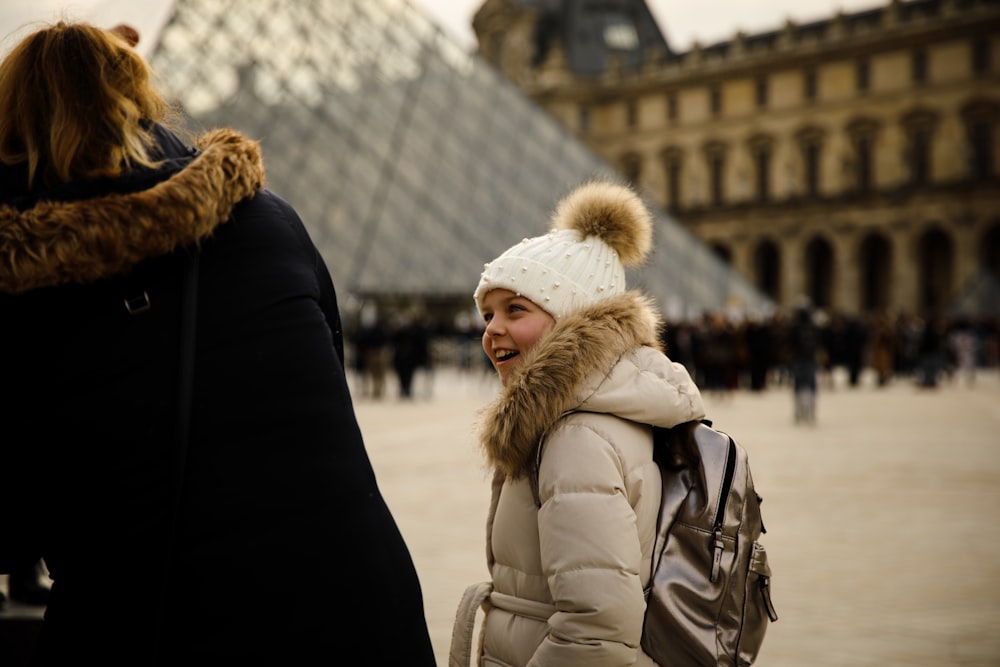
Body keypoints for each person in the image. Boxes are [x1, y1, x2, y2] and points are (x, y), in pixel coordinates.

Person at [0, 21, 435, 665]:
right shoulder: (274, 218)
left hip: (166, 624)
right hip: (367, 611)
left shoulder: (21, 276)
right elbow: (322, 375)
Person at [451, 181, 706, 666]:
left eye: (515, 309)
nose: (491, 329)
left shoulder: (575, 437)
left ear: (571, 320)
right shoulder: (590, 413)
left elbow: (596, 629)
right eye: (487, 313)